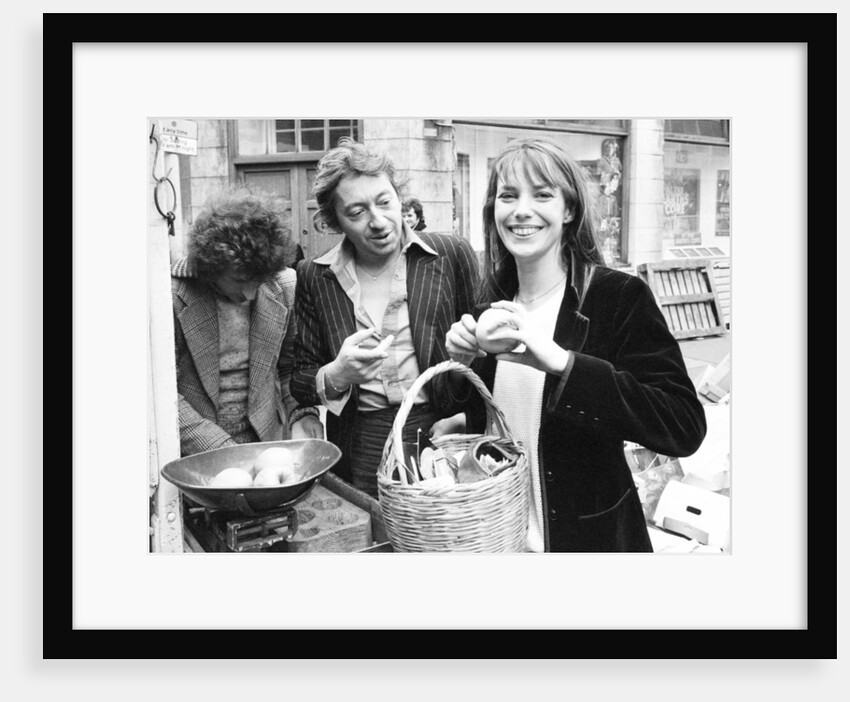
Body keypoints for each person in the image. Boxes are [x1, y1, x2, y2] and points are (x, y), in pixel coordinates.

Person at [445, 138, 706, 552]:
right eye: (507, 196)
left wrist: (565, 364)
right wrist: (461, 366)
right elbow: (494, 420)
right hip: (499, 538)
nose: (521, 211)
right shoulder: (489, 305)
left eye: (542, 195)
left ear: (568, 210)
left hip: (587, 542)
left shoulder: (617, 297)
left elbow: (683, 425)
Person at [291, 138, 479, 498]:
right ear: (335, 221)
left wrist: (469, 418)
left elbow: (487, 352)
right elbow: (297, 375)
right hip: (360, 440)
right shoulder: (314, 277)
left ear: (398, 196)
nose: (378, 222)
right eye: (357, 212)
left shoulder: (451, 253)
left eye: (385, 202)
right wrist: (336, 375)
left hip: (443, 431)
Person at [172, 189, 322, 457]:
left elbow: (291, 368)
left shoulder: (286, 285)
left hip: (266, 445)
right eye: (240, 281)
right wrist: (221, 449)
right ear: (212, 266)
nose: (250, 295)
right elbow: (163, 396)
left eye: (260, 281)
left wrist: (302, 412)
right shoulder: (172, 295)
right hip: (196, 454)